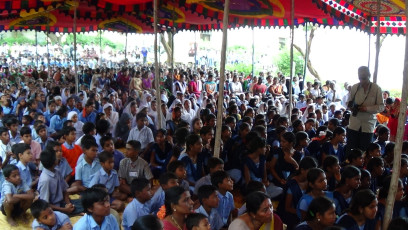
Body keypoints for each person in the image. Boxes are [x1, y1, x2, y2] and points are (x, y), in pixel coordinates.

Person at [346, 66, 384, 153]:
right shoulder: (355, 87)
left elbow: (381, 107)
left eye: (364, 77)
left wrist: (366, 109)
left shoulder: (376, 88)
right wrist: (351, 107)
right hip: (354, 124)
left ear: (369, 75)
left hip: (368, 125)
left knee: (364, 151)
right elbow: (348, 102)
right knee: (351, 150)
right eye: (360, 77)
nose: (362, 79)